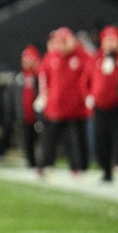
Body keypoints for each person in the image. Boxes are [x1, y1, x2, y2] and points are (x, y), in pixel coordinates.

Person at [84, 26, 118, 182]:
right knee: (101, 141)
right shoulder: (95, 59)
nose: (110, 43)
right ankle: (106, 170)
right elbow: (84, 81)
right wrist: (88, 96)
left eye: (113, 40)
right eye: (107, 40)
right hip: (100, 108)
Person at [36, 27, 89, 174]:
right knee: (49, 138)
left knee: (73, 140)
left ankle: (78, 167)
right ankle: (45, 165)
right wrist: (44, 96)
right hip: (55, 107)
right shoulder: (51, 57)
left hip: (75, 108)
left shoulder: (81, 56)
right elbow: (42, 77)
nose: (59, 46)